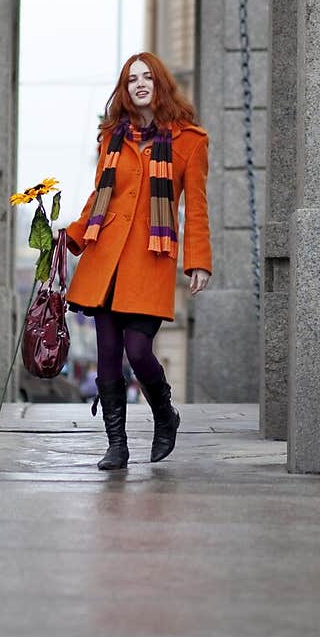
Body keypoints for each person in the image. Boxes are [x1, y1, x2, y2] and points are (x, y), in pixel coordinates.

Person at [63, 53, 212, 470]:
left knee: (138, 348)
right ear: (125, 90)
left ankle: (165, 414)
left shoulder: (190, 141)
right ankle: (117, 445)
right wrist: (69, 237)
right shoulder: (112, 137)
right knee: (107, 352)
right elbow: (99, 198)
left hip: (150, 257)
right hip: (105, 257)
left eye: (147, 77)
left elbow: (196, 208)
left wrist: (198, 261)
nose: (140, 84)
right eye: (132, 79)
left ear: (160, 83)